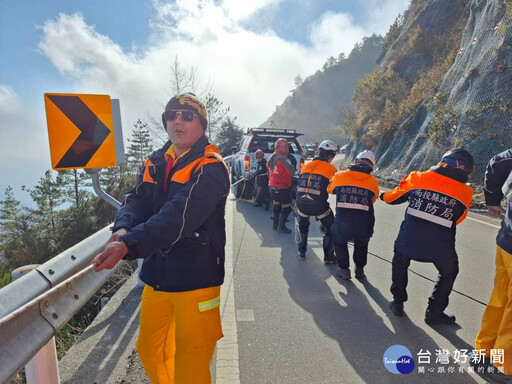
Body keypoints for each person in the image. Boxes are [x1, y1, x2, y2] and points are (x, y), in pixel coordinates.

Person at [92, 93, 230, 384]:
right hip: (158, 276)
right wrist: (122, 229)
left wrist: (129, 245)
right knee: (150, 350)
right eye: (172, 115)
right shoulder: (156, 161)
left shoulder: (211, 167)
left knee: (191, 363)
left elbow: (177, 216)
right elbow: (136, 199)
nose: (178, 120)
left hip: (197, 280)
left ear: (202, 125)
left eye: (187, 115)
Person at [381, 148, 474, 325]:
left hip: (408, 242)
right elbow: (458, 219)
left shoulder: (418, 177)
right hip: (441, 249)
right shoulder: (466, 193)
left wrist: (383, 196)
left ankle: (398, 302)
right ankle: (434, 312)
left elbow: (393, 198)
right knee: (449, 271)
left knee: (400, 262)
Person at [473, 148, 512, 377]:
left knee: (501, 298)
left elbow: (497, 162)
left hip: (507, 238)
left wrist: (493, 201)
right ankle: (504, 367)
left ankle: (485, 351)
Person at [327, 150, 379, 279]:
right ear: (371, 166)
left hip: (343, 220)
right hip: (364, 221)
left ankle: (344, 270)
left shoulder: (339, 176)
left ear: (355, 161)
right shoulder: (373, 181)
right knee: (361, 244)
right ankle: (359, 270)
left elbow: (330, 190)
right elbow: (373, 199)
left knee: (340, 242)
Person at [296, 140, 338, 263]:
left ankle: (301, 252)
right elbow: (333, 190)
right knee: (332, 227)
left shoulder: (306, 166)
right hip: (319, 206)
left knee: (303, 227)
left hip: (301, 204)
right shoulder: (331, 169)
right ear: (330, 155)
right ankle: (329, 257)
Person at [268, 138, 296, 233]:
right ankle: (281, 226)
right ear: (280, 147)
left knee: (276, 205)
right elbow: (291, 172)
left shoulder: (272, 156)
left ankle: (274, 225)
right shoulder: (284, 158)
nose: (287, 149)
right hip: (282, 187)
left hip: (272, 186)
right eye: (285, 147)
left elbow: (268, 166)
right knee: (287, 207)